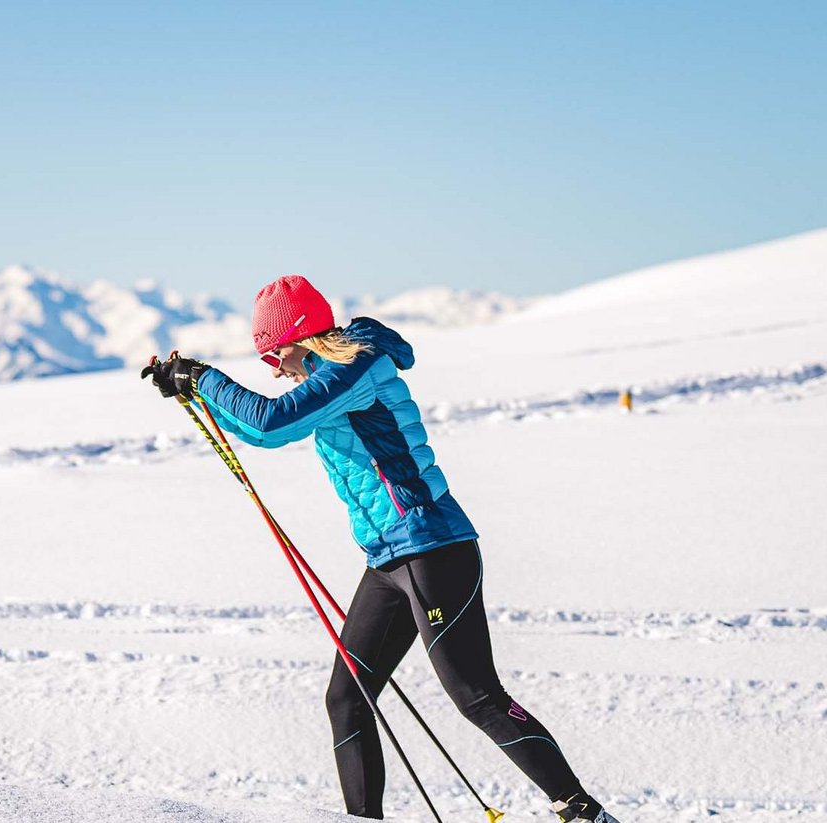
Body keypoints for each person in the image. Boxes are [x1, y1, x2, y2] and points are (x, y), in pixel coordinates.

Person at [141, 274, 619, 822]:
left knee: (477, 696)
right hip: (388, 560)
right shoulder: (329, 377)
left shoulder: (357, 366)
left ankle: (582, 811)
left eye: (273, 352)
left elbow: (272, 422)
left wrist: (204, 375)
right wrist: (194, 389)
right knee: (347, 698)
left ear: (300, 337)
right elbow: (264, 433)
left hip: (433, 550)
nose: (273, 367)